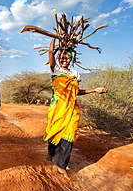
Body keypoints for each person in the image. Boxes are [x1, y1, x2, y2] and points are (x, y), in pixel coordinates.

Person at [44, 38, 108, 178]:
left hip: (72, 108)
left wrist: (94, 90)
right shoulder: (55, 69)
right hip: (57, 108)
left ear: (71, 58)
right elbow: (50, 52)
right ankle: (52, 152)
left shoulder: (75, 74)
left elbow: (77, 92)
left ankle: (62, 165)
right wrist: (54, 38)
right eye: (61, 56)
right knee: (55, 131)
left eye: (67, 57)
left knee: (70, 135)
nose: (64, 59)